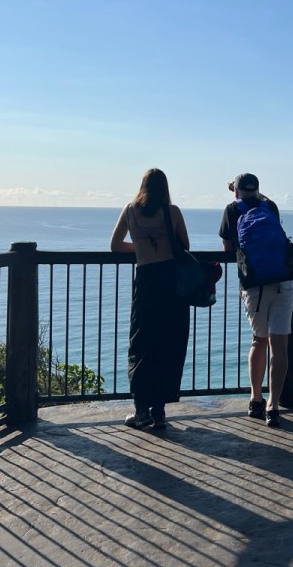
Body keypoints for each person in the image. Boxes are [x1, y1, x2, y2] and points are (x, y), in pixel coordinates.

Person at [110, 168, 191, 429]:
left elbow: (115, 245)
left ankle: (141, 410)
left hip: (145, 281)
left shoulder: (130, 210)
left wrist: (141, 246)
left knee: (141, 345)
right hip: (171, 284)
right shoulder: (173, 211)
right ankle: (160, 412)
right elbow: (185, 245)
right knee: (168, 344)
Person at [218, 173, 293, 427]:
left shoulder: (231, 210)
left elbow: (228, 250)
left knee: (258, 341)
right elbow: (264, 201)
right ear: (258, 190)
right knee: (279, 345)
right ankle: (273, 406)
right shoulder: (269, 206)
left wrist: (235, 195)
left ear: (236, 191)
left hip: (253, 286)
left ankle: (255, 399)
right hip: (284, 282)